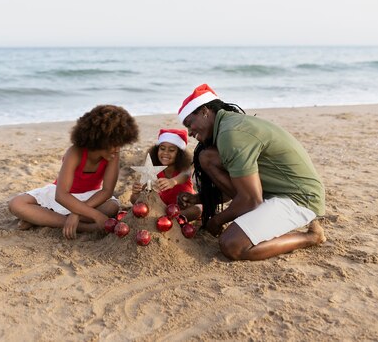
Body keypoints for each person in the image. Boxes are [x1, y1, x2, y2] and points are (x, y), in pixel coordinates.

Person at [177, 84, 326, 261]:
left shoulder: (231, 134)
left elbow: (250, 200)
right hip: (273, 193)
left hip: (300, 198)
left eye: (189, 123)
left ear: (204, 111)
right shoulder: (227, 126)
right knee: (207, 157)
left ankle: (310, 237)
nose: (190, 131)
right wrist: (199, 198)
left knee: (232, 245)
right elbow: (238, 187)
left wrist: (216, 221)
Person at [8, 104, 139, 239]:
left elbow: (106, 191)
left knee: (111, 208)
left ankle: (42, 218)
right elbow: (61, 195)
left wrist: (76, 213)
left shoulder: (113, 155)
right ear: (99, 139)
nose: (117, 149)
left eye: (120, 144)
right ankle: (84, 227)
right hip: (64, 195)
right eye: (114, 144)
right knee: (16, 204)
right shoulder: (75, 152)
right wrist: (96, 215)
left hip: (91, 198)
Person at [130, 129, 201, 221]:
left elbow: (186, 174)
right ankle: (166, 219)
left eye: (171, 150)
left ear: (180, 154)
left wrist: (173, 181)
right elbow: (136, 200)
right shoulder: (152, 170)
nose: (165, 153)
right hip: (161, 209)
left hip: (183, 208)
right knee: (140, 204)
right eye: (162, 148)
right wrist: (136, 192)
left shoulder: (184, 168)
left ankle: (173, 219)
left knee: (197, 209)